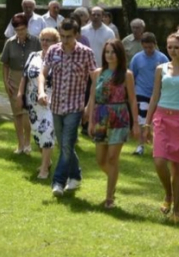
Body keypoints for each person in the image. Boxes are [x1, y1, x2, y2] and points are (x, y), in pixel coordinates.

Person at [142, 31, 179, 224]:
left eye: (177, 47)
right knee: (159, 161)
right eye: (169, 47)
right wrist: (147, 122)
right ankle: (168, 195)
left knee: (178, 169)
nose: (173, 51)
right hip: (161, 118)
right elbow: (154, 96)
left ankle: (176, 207)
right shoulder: (161, 68)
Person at [39, 19, 96, 197]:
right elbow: (43, 73)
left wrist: (89, 106)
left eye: (68, 37)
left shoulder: (86, 53)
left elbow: (95, 80)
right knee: (65, 145)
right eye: (62, 36)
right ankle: (76, 175)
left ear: (77, 35)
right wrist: (41, 91)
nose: (64, 40)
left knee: (66, 144)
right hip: (56, 105)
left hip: (75, 106)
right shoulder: (53, 51)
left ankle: (58, 182)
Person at [86, 40, 139, 208]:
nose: (110, 55)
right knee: (100, 160)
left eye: (113, 52)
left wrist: (136, 123)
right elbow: (92, 97)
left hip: (119, 117)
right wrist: (90, 121)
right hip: (101, 116)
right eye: (107, 52)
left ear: (119, 54)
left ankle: (109, 197)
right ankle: (113, 178)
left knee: (112, 157)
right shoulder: (97, 73)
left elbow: (132, 99)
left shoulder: (127, 75)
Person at [18, 27, 60, 179]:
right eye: (42, 39)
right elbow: (24, 76)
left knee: (47, 132)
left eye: (48, 40)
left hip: (50, 101)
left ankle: (44, 169)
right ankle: (47, 161)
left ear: (56, 42)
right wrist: (20, 93)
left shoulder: (59, 58)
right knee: (37, 134)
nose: (44, 42)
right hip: (32, 102)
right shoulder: (33, 56)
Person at [1, 13, 40, 154]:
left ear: (27, 27)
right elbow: (5, 64)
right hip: (15, 78)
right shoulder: (10, 43)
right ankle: (20, 144)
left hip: (31, 78)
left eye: (22, 29)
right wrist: (6, 82)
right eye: (17, 30)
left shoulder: (36, 41)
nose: (20, 32)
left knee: (26, 112)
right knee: (17, 113)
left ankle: (28, 142)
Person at [129, 32, 169, 156]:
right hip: (141, 92)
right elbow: (132, 75)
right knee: (142, 120)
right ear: (142, 45)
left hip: (157, 94)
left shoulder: (162, 58)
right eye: (145, 47)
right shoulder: (137, 58)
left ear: (155, 45)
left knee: (156, 121)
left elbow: (168, 77)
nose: (148, 50)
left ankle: (156, 146)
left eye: (150, 47)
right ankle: (140, 146)